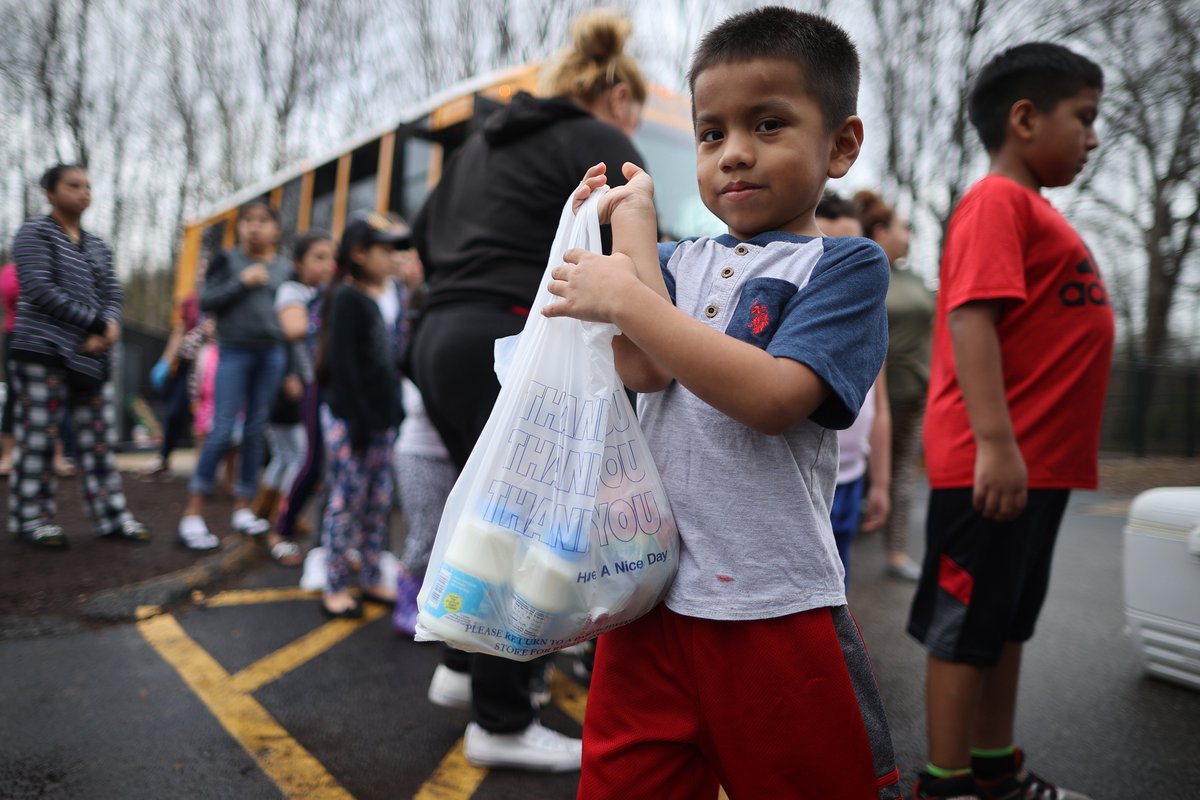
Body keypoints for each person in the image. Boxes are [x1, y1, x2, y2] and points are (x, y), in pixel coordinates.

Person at [544, 9, 901, 797]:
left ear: (841, 144)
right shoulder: (680, 259)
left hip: (772, 608)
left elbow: (774, 398)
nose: (734, 152)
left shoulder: (844, 268)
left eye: (768, 124)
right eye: (711, 134)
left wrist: (630, 302)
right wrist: (634, 223)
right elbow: (646, 369)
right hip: (648, 597)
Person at [408, 9, 646, 773]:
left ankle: (463, 667)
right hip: (506, 336)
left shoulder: (481, 144)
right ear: (615, 96)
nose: (635, 123)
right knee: (533, 520)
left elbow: (423, 233)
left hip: (437, 336)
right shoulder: (600, 141)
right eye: (635, 108)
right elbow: (636, 250)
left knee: (492, 512)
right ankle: (501, 720)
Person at [907, 43, 1109, 800]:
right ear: (1025, 119)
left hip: (1036, 467)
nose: (1093, 138)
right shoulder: (998, 201)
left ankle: (995, 770)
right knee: (965, 631)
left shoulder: (1035, 211)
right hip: (991, 465)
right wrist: (995, 443)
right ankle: (946, 782)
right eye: (1083, 118)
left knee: (1006, 625)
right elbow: (973, 320)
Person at [8, 164, 150, 548]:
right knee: (38, 440)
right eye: (74, 185)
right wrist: (97, 326)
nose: (84, 192)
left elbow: (113, 294)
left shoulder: (98, 244)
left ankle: (111, 518)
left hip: (91, 358)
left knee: (99, 442)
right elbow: (39, 288)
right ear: (51, 192)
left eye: (88, 185)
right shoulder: (34, 233)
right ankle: (30, 520)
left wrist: (110, 326)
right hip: (41, 352)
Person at [178, 202, 290, 551]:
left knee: (257, 430)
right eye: (248, 222)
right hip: (234, 351)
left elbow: (291, 315)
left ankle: (243, 507)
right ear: (239, 227)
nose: (254, 228)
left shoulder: (286, 267)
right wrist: (242, 282)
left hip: (272, 353)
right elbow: (206, 300)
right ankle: (192, 513)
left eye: (262, 222)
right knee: (222, 429)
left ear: (277, 230)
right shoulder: (227, 260)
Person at [314, 212, 407, 618]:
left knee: (377, 503)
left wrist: (392, 413)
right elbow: (345, 369)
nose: (393, 257)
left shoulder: (381, 297)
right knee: (345, 503)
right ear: (358, 253)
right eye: (384, 249)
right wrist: (360, 423)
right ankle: (334, 584)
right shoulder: (348, 298)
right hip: (354, 423)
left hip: (381, 421)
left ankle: (370, 574)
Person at [816, 193, 892, 590]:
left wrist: (880, 483)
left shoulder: (867, 322)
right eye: (829, 249)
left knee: (839, 585)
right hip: (807, 482)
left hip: (851, 477)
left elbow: (880, 409)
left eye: (853, 250)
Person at [856, 189, 931, 581]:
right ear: (882, 231)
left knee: (902, 472)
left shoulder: (914, 278)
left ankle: (897, 552)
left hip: (915, 392)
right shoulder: (860, 270)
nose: (909, 236)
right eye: (904, 228)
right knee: (857, 469)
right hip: (868, 391)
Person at [266, 231, 335, 565]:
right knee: (313, 463)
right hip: (314, 386)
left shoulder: (337, 292)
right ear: (299, 263)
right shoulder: (293, 292)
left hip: (343, 388)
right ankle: (281, 529)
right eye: (318, 257)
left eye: (331, 257)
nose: (328, 264)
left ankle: (331, 542)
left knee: (339, 468)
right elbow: (294, 329)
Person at [138, 293, 201, 481]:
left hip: (212, 366)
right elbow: (179, 332)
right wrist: (165, 361)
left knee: (203, 417)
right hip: (188, 367)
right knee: (174, 412)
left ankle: (203, 467)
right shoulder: (190, 302)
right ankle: (164, 459)